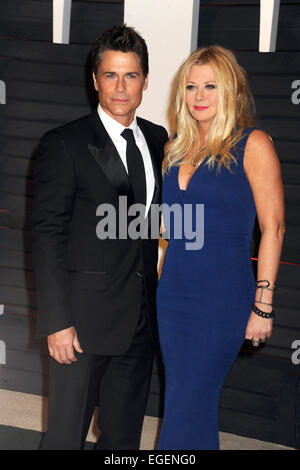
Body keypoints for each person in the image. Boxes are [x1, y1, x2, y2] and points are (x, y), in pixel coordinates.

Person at [32, 24, 168, 450]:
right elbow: (47, 234)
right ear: (94, 81)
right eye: (110, 75)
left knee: (124, 439)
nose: (121, 87)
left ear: (146, 80)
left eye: (130, 75)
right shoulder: (64, 143)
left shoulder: (159, 139)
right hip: (81, 325)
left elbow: (148, 223)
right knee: (64, 438)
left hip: (141, 322)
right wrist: (56, 322)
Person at [156, 45, 285, 450]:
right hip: (172, 296)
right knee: (186, 402)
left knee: (189, 401)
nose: (199, 95)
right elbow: (172, 227)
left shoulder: (253, 143)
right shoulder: (175, 148)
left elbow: (274, 227)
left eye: (210, 86)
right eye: (191, 86)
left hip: (222, 298)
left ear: (230, 90)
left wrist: (262, 303)